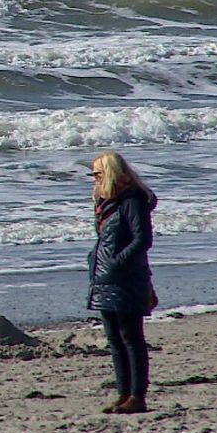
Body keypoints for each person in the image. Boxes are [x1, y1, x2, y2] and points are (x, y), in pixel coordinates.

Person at [87, 152, 157, 415]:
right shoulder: (107, 204)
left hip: (125, 278)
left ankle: (137, 396)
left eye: (98, 174)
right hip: (105, 278)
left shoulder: (132, 201)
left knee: (131, 337)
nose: (95, 180)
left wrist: (117, 262)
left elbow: (142, 240)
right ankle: (123, 394)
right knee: (114, 338)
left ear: (112, 173)